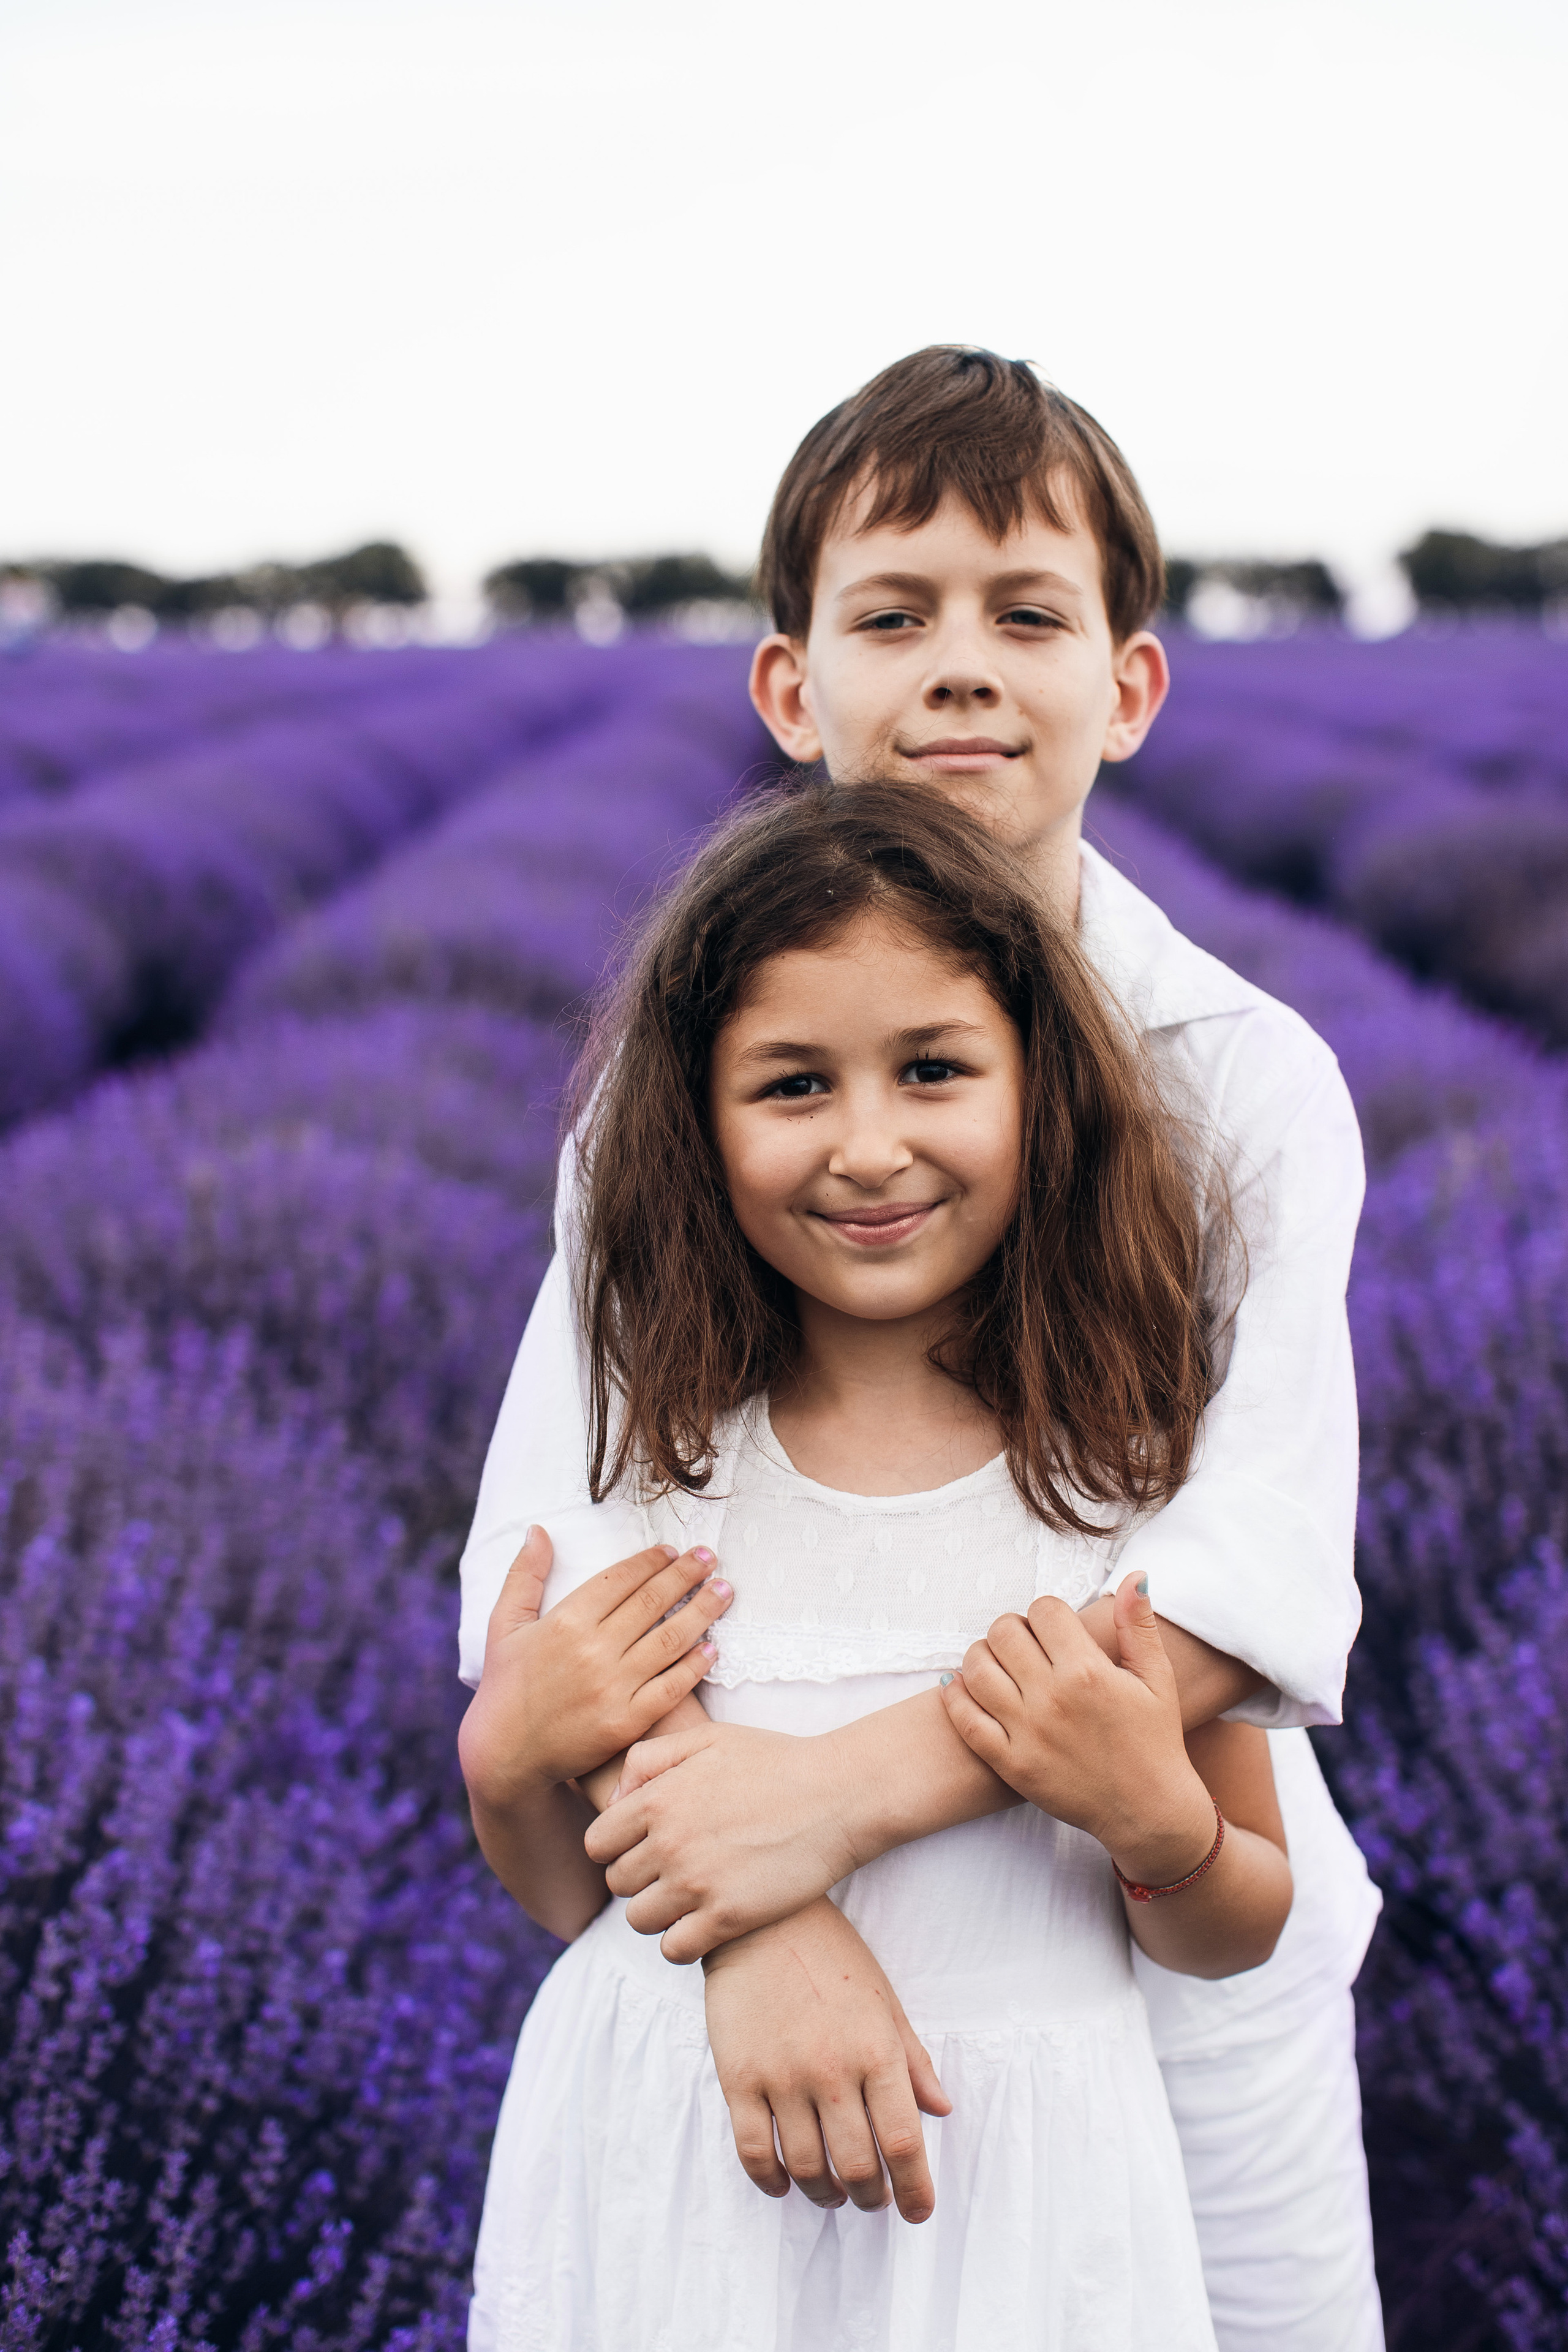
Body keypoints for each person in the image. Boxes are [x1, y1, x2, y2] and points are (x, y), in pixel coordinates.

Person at [460, 347, 1385, 2349]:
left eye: (1025, 615)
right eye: (894, 616)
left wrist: (839, 1801)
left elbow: (1246, 1570)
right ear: (792, 689)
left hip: (1155, 1962)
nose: (961, 667)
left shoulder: (1242, 1082)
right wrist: (755, 1909)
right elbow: (554, 1564)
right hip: (727, 1962)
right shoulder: (665, 1105)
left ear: (1128, 689)